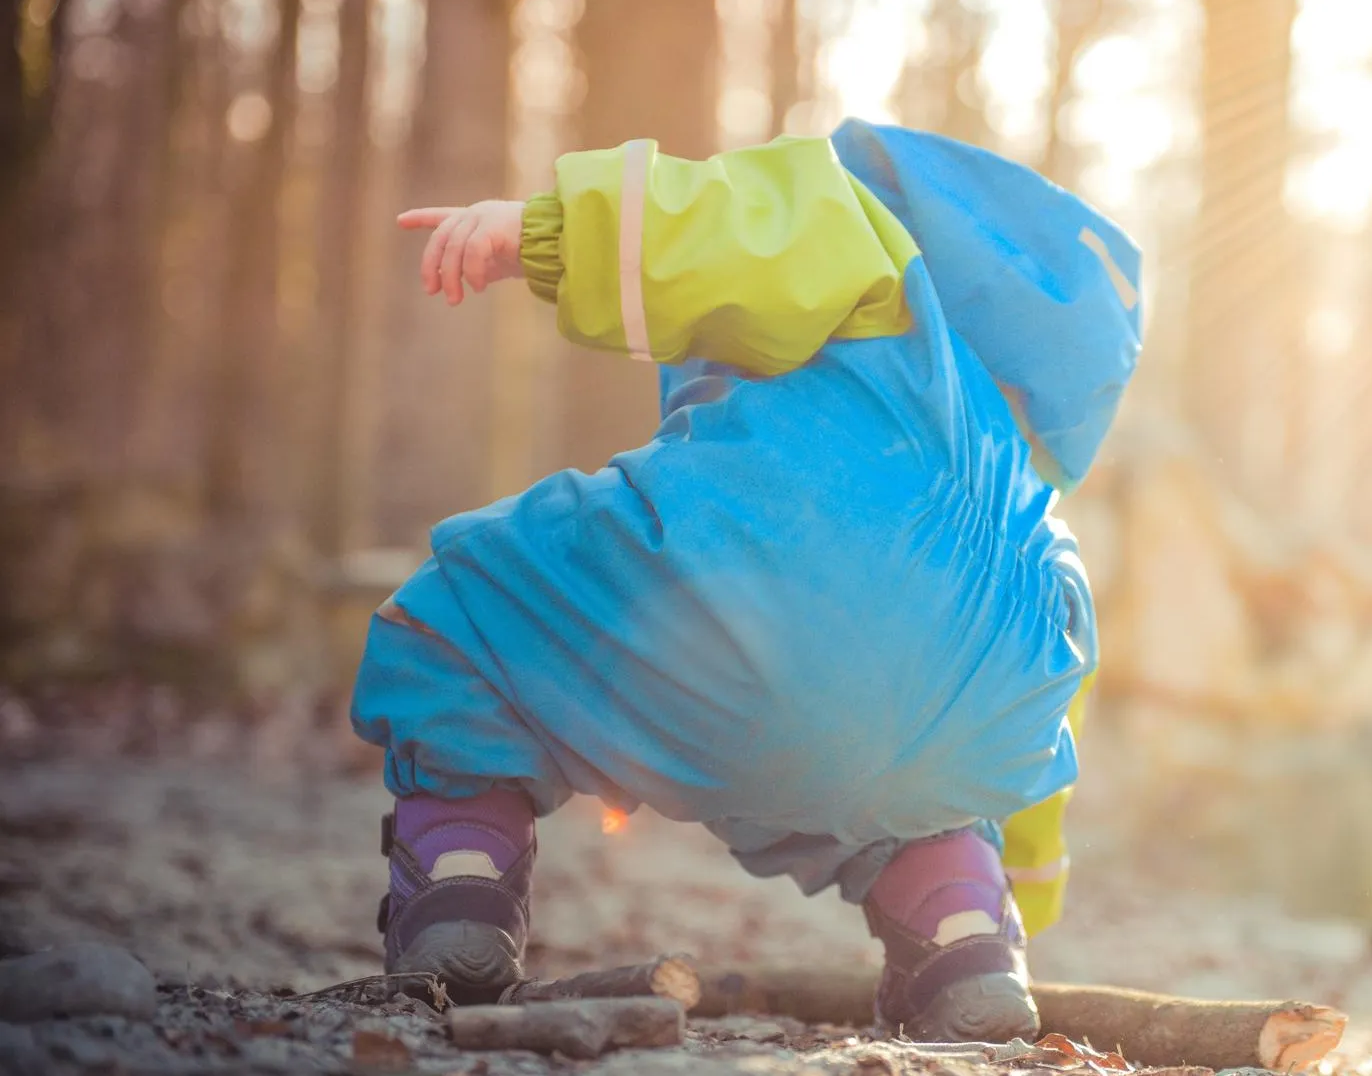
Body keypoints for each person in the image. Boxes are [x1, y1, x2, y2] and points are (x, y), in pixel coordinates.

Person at [352, 119, 1142, 1041]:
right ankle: (965, 935)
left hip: (746, 609)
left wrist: (539, 234)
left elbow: (734, 227)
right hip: (948, 737)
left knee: (468, 616)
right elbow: (1046, 728)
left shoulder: (876, 262)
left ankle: (460, 886)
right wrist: (1028, 891)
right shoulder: (1037, 525)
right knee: (928, 792)